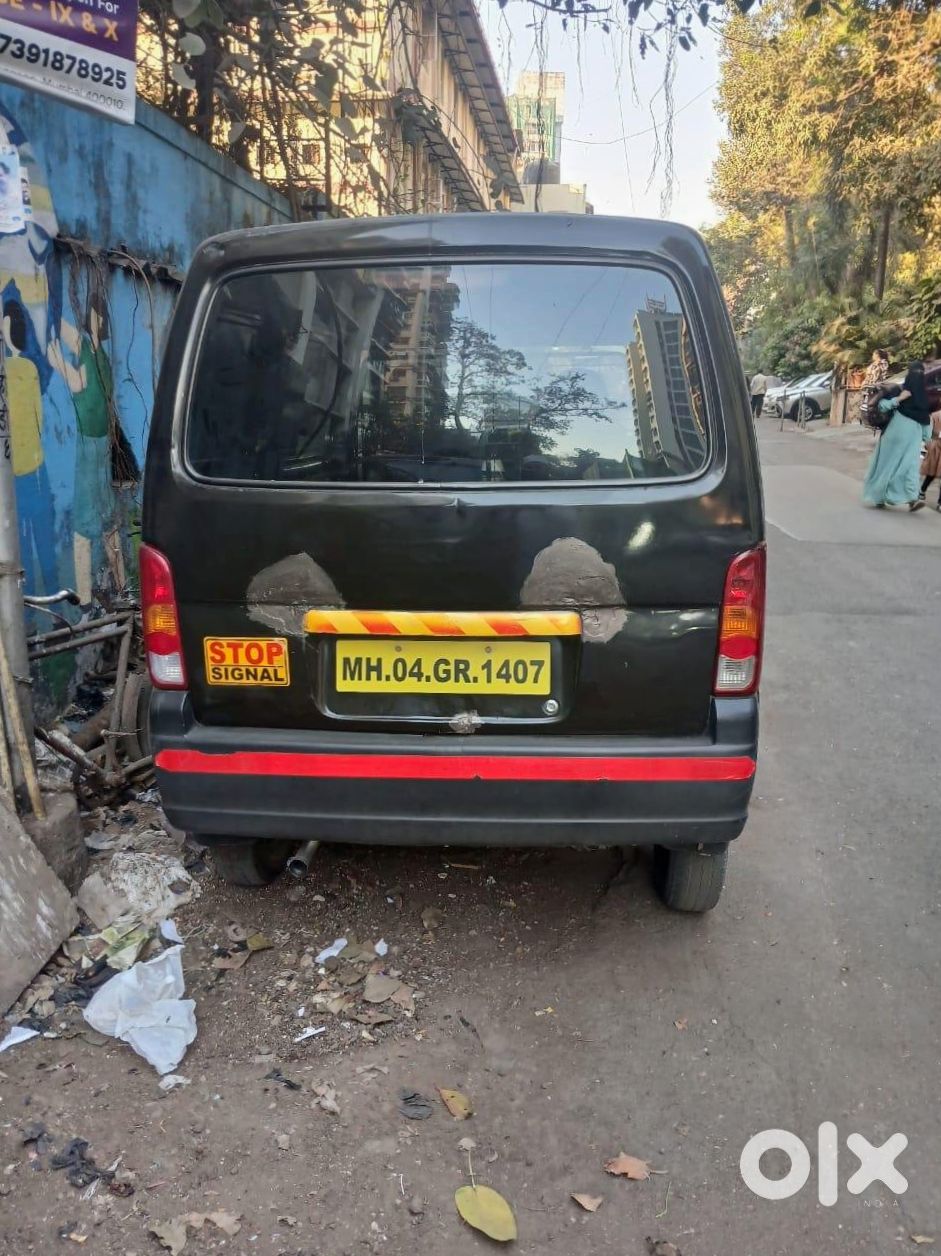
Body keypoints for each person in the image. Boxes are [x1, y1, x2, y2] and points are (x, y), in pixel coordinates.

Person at [862, 360, 933, 511]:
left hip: (898, 433)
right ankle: (909, 498)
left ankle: (898, 498)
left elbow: (883, 405)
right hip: (909, 435)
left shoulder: (901, 390)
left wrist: (900, 398)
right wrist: (927, 439)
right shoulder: (919, 396)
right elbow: (926, 421)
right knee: (909, 467)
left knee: (888, 465)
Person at [918, 409, 941, 510]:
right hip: (936, 447)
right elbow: (928, 431)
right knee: (931, 472)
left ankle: (940, 502)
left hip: (935, 446)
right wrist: (929, 444)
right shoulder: (935, 416)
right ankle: (922, 490)